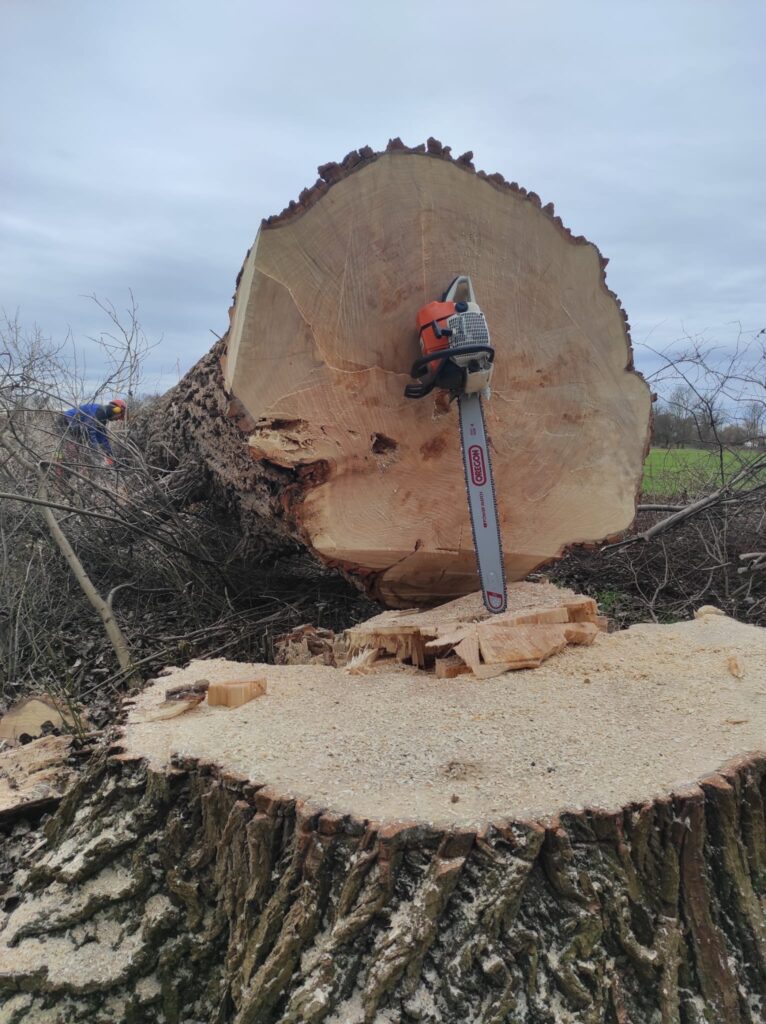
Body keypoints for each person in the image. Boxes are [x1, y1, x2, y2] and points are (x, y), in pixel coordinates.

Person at [58, 399, 127, 466]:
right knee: (71, 450)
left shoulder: (102, 416)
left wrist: (112, 456)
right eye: (120, 416)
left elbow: (102, 438)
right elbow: (91, 435)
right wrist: (100, 460)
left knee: (80, 449)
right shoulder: (98, 412)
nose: (117, 419)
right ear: (116, 410)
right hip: (65, 423)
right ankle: (59, 467)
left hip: (76, 427)